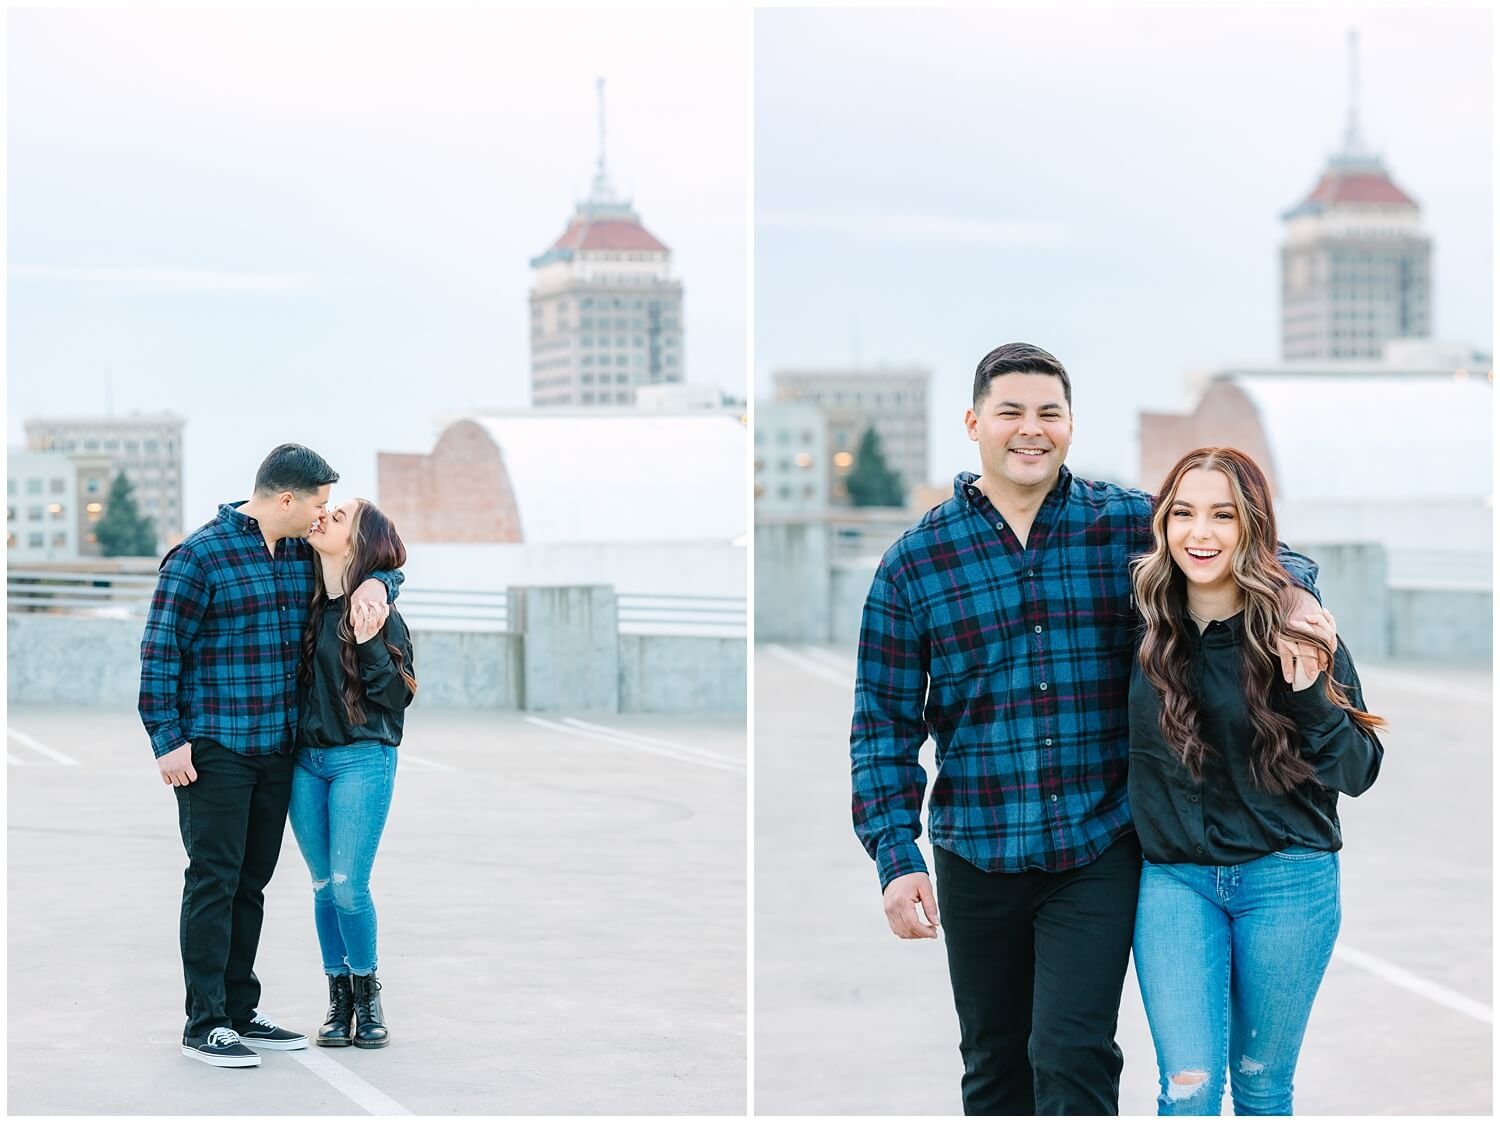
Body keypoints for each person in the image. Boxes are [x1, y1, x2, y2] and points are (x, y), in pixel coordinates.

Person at [850, 343, 1329, 1115]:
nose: (1029, 429)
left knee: (1073, 1053)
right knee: (995, 1063)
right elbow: (881, 724)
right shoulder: (915, 563)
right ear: (975, 423)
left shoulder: (1122, 526)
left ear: (1070, 425)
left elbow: (1235, 542)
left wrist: (1296, 593)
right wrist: (895, 856)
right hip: (977, 845)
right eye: (1010, 411)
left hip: (1097, 845)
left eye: (1049, 412)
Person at [1127, 448, 1383, 1115]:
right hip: (1175, 881)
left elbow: (1359, 768)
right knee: (1188, 1089)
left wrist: (1310, 693)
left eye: (1223, 515)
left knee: (1264, 1086)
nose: (1200, 533)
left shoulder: (1298, 627)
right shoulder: (1140, 620)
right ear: (1163, 524)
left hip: (1289, 879)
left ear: (1253, 526)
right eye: (1183, 513)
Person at [139, 444, 400, 1069]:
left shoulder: (298, 557)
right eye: (318, 503)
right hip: (215, 749)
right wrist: (167, 740)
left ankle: (239, 1010)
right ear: (286, 499)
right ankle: (204, 1023)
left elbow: (378, 559)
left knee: (251, 884)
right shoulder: (199, 557)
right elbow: (160, 654)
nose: (323, 516)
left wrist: (378, 582)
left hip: (280, 749)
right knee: (213, 880)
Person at [290, 498, 416, 1049]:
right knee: (322, 887)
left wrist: (369, 637)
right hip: (304, 763)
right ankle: (337, 1000)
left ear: (359, 543)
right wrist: (384, 578)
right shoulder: (309, 598)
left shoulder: (379, 611)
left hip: (362, 758)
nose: (325, 518)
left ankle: (368, 995)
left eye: (339, 517)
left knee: (348, 886)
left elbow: (394, 698)